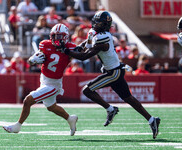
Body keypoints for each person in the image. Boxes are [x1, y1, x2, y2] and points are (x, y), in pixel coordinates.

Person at [62, 11, 160, 139]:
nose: (95, 24)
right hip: (114, 70)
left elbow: (85, 56)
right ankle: (152, 120)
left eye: (98, 22)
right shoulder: (94, 33)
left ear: (103, 25)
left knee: (87, 90)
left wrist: (66, 51)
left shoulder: (104, 38)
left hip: (113, 72)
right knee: (128, 98)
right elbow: (86, 45)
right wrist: (77, 47)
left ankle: (110, 109)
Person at [3, 23, 78, 136]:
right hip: (44, 79)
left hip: (54, 84)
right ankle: (70, 118)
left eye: (59, 36)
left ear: (65, 37)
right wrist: (32, 60)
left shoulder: (70, 47)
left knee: (27, 101)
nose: (56, 39)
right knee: (51, 107)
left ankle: (17, 126)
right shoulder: (45, 44)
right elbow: (33, 59)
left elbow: (79, 54)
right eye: (54, 36)